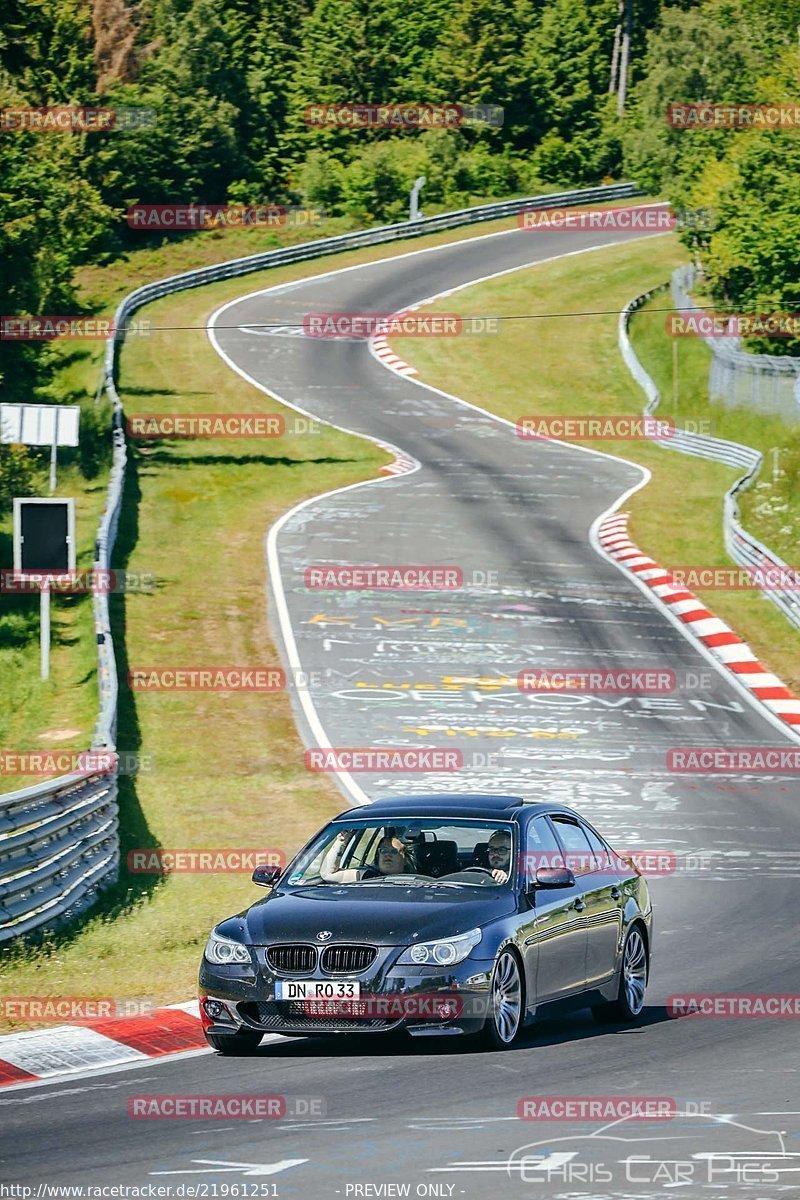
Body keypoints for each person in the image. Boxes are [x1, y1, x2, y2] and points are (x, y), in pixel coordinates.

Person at [319, 829, 414, 883]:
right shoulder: (366, 876)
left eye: (393, 851)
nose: (387, 855)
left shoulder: (420, 880)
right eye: (383, 851)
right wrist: (341, 841)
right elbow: (328, 875)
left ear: (405, 858)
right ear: (378, 856)